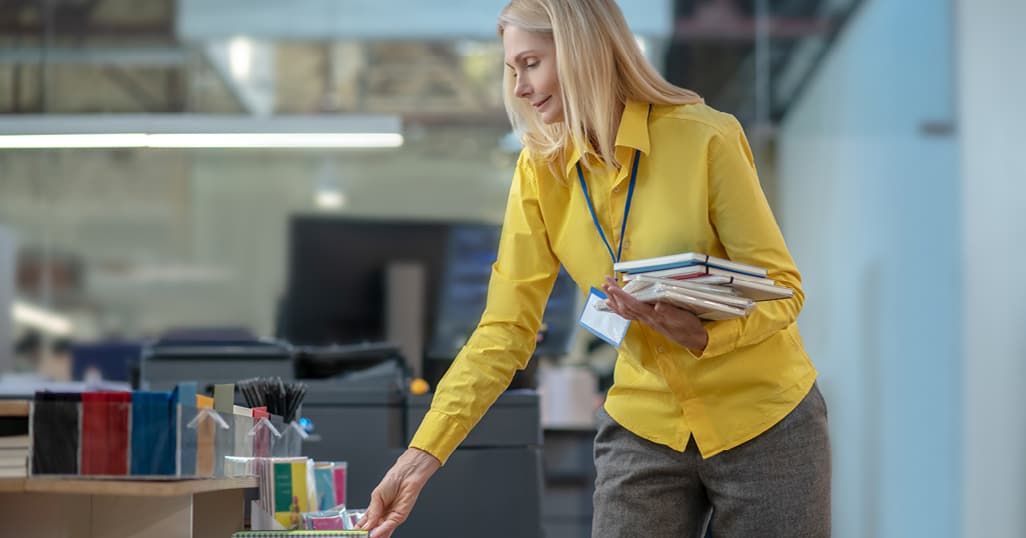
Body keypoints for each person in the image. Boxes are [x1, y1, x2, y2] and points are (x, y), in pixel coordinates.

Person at [358, 0, 831, 536]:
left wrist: (704, 338)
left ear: (582, 50)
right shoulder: (540, 173)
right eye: (512, 70)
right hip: (643, 422)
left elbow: (785, 291)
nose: (519, 87)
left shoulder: (705, 138)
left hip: (765, 418)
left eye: (531, 63)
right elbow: (504, 330)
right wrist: (421, 456)